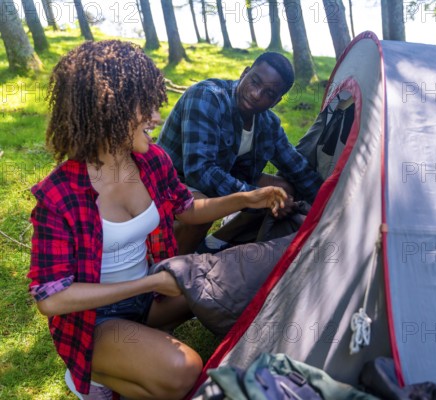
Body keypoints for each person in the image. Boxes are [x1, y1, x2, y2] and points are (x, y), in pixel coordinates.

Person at [27, 40, 286, 400]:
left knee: (242, 285)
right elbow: (51, 299)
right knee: (185, 370)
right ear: (110, 109)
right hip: (96, 319)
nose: (157, 118)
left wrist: (247, 199)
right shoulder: (58, 196)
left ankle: (130, 361)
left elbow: (187, 209)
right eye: (145, 107)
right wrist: (147, 285)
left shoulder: (152, 161)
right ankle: (90, 374)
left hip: (149, 294)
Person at [157, 52, 323, 254]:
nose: (256, 94)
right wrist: (255, 197)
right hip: (171, 179)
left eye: (268, 93)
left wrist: (329, 204)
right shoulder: (207, 97)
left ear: (276, 101)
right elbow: (200, 172)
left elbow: (298, 169)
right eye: (255, 81)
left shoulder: (268, 123)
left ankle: (215, 242)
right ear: (244, 73)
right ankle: (171, 267)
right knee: (203, 209)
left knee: (283, 190)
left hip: (217, 176)